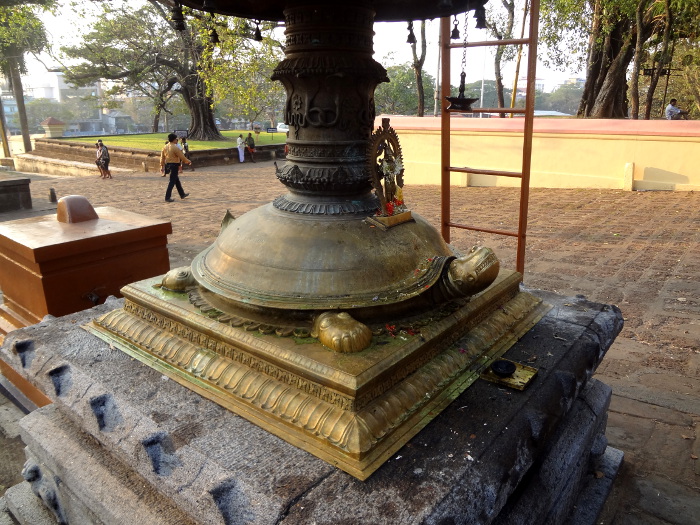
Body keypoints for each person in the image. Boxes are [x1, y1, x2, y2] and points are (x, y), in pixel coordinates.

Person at [160, 133, 192, 202]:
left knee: (176, 180)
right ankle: (167, 197)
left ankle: (182, 194)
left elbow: (162, 157)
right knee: (172, 181)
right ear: (174, 140)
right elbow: (181, 156)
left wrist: (161, 166)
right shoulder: (175, 147)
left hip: (168, 165)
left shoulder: (165, 147)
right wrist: (188, 161)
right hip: (174, 165)